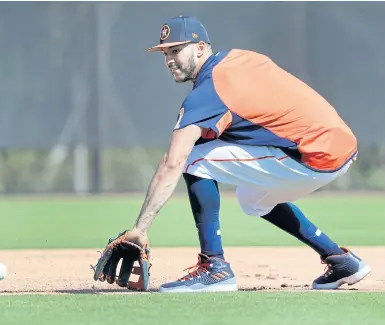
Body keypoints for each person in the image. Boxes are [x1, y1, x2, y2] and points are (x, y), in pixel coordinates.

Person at [94, 15, 371, 293]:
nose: (169, 59)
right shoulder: (239, 59)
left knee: (193, 159)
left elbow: (172, 162)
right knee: (252, 199)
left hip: (315, 155)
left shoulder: (207, 93)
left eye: (177, 50)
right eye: (166, 53)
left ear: (200, 48)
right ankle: (341, 261)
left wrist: (141, 229)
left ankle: (214, 267)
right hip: (337, 144)